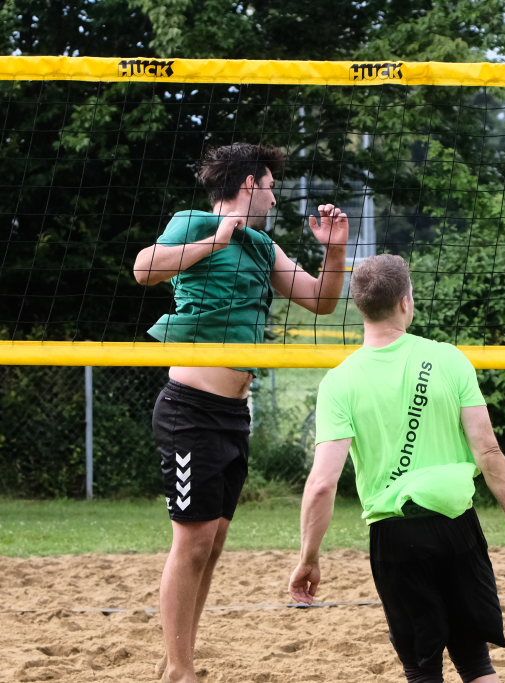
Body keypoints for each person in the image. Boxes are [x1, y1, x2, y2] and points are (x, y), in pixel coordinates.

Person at [133, 142, 349, 683]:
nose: (275, 199)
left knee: (214, 542)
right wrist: (215, 240)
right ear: (250, 184)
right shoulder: (194, 222)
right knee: (193, 542)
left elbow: (321, 300)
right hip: (190, 409)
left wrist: (335, 252)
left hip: (234, 414)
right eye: (271, 187)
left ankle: (178, 658)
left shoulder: (262, 246)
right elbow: (144, 269)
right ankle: (180, 669)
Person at [289, 253, 505, 683]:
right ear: (406, 302)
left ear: (360, 308)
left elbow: (322, 484)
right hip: (457, 526)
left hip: (396, 536)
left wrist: (309, 558)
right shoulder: (449, 358)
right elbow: (489, 451)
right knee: (476, 663)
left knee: (422, 671)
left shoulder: (339, 382)